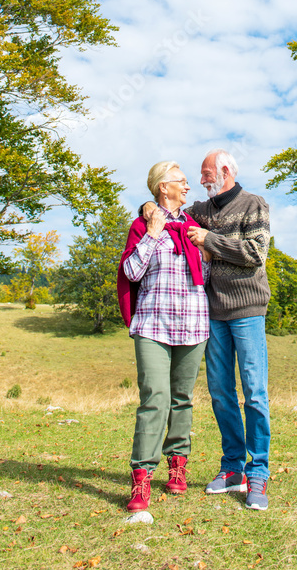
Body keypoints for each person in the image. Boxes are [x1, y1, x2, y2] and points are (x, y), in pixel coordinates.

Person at [143, 149, 271, 510]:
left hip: (247, 310)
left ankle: (257, 472)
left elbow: (255, 253)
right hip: (212, 314)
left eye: (206, 173)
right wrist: (147, 209)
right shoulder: (201, 210)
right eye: (197, 176)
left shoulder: (254, 204)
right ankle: (232, 468)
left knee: (254, 392)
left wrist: (208, 240)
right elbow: (166, 207)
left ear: (226, 170)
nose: (200, 181)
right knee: (221, 393)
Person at [116, 161, 210, 513]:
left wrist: (207, 249)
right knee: (155, 397)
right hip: (153, 324)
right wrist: (154, 230)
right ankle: (141, 477)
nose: (187, 187)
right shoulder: (144, 225)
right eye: (181, 182)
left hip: (194, 323)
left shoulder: (193, 227)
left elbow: (207, 272)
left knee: (182, 398)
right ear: (162, 188)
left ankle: (178, 466)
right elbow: (131, 271)